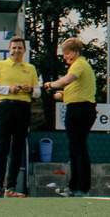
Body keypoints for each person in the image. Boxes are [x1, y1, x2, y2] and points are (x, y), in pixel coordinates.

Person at [0, 35, 38, 198]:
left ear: (24, 50)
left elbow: (37, 92)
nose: (16, 50)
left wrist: (30, 90)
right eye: (13, 48)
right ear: (9, 50)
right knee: (2, 146)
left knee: (17, 147)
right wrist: (9, 89)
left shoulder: (31, 68)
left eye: (19, 48)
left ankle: (12, 187)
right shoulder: (0, 65)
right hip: (5, 106)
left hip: (23, 108)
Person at [44, 38, 96, 198]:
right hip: (79, 108)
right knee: (75, 149)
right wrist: (62, 95)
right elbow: (75, 89)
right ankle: (74, 187)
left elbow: (67, 80)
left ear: (76, 52)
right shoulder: (80, 66)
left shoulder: (78, 64)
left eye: (67, 53)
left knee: (78, 149)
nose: (65, 56)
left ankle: (82, 188)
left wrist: (51, 84)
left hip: (79, 110)